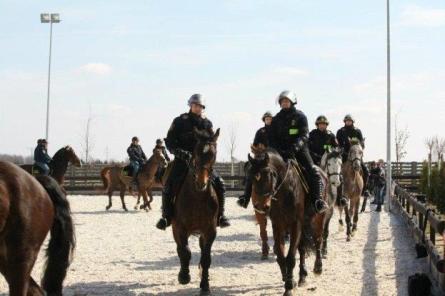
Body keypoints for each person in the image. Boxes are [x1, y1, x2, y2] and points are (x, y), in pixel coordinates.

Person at [156, 94, 230, 230]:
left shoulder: (207, 123)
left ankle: (220, 216)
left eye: (200, 106)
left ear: (203, 108)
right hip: (182, 160)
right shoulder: (179, 121)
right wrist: (181, 153)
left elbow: (211, 142)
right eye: (195, 105)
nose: (197, 108)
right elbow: (170, 142)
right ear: (190, 106)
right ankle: (166, 217)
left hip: (201, 163)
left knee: (220, 183)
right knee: (169, 184)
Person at [267, 90, 328, 214]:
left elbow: (304, 135)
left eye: (286, 101)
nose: (284, 103)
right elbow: (272, 138)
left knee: (313, 171)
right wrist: (278, 151)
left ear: (292, 102)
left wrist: (294, 149)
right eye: (282, 101)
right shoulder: (276, 119)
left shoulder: (300, 116)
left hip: (299, 150)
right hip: (280, 152)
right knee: (264, 171)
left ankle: (318, 200)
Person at [238, 111, 273, 208]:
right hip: (260, 156)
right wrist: (257, 150)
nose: (268, 120)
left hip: (274, 156)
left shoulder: (276, 130)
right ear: (264, 120)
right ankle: (246, 197)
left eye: (270, 119)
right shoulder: (260, 131)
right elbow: (255, 144)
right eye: (266, 119)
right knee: (250, 168)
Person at [336, 114, 370, 205]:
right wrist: (340, 148)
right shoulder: (340, 131)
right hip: (344, 155)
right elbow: (337, 143)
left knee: (366, 170)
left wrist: (359, 147)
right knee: (336, 171)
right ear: (344, 121)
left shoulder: (357, 131)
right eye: (347, 121)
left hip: (355, 156)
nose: (348, 122)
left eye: (350, 121)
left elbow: (362, 143)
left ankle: (365, 190)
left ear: (352, 122)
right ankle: (338, 193)